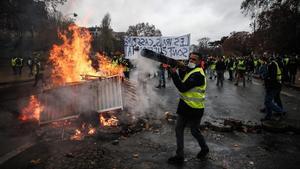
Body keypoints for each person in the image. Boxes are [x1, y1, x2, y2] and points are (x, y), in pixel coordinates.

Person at [167, 52, 209, 165]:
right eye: (190, 59)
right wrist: (176, 68)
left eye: (194, 59)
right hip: (189, 107)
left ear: (200, 62)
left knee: (189, 130)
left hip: (192, 108)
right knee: (185, 130)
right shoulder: (192, 71)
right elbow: (183, 77)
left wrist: (174, 73)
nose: (191, 61)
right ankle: (182, 155)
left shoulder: (198, 75)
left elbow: (182, 87)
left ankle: (184, 155)